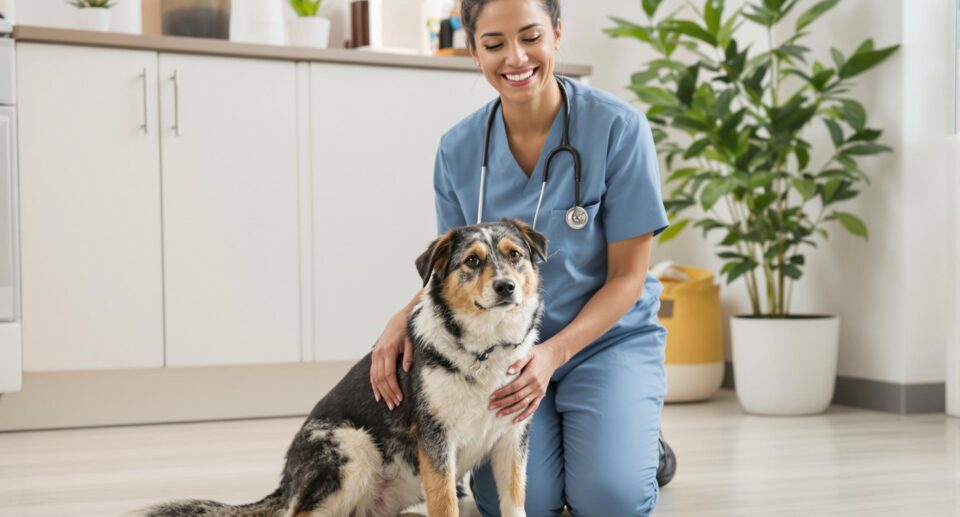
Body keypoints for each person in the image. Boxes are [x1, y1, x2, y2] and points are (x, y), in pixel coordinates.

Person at [370, 0, 670, 515]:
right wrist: (402, 318)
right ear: (473, 51)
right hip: (500, 353)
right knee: (517, 499)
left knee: (610, 499)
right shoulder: (458, 150)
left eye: (531, 36)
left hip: (604, 341)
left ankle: (644, 447)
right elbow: (458, 273)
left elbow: (628, 277)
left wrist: (552, 355)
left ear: (557, 33)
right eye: (493, 44)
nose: (516, 57)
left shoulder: (619, 129)